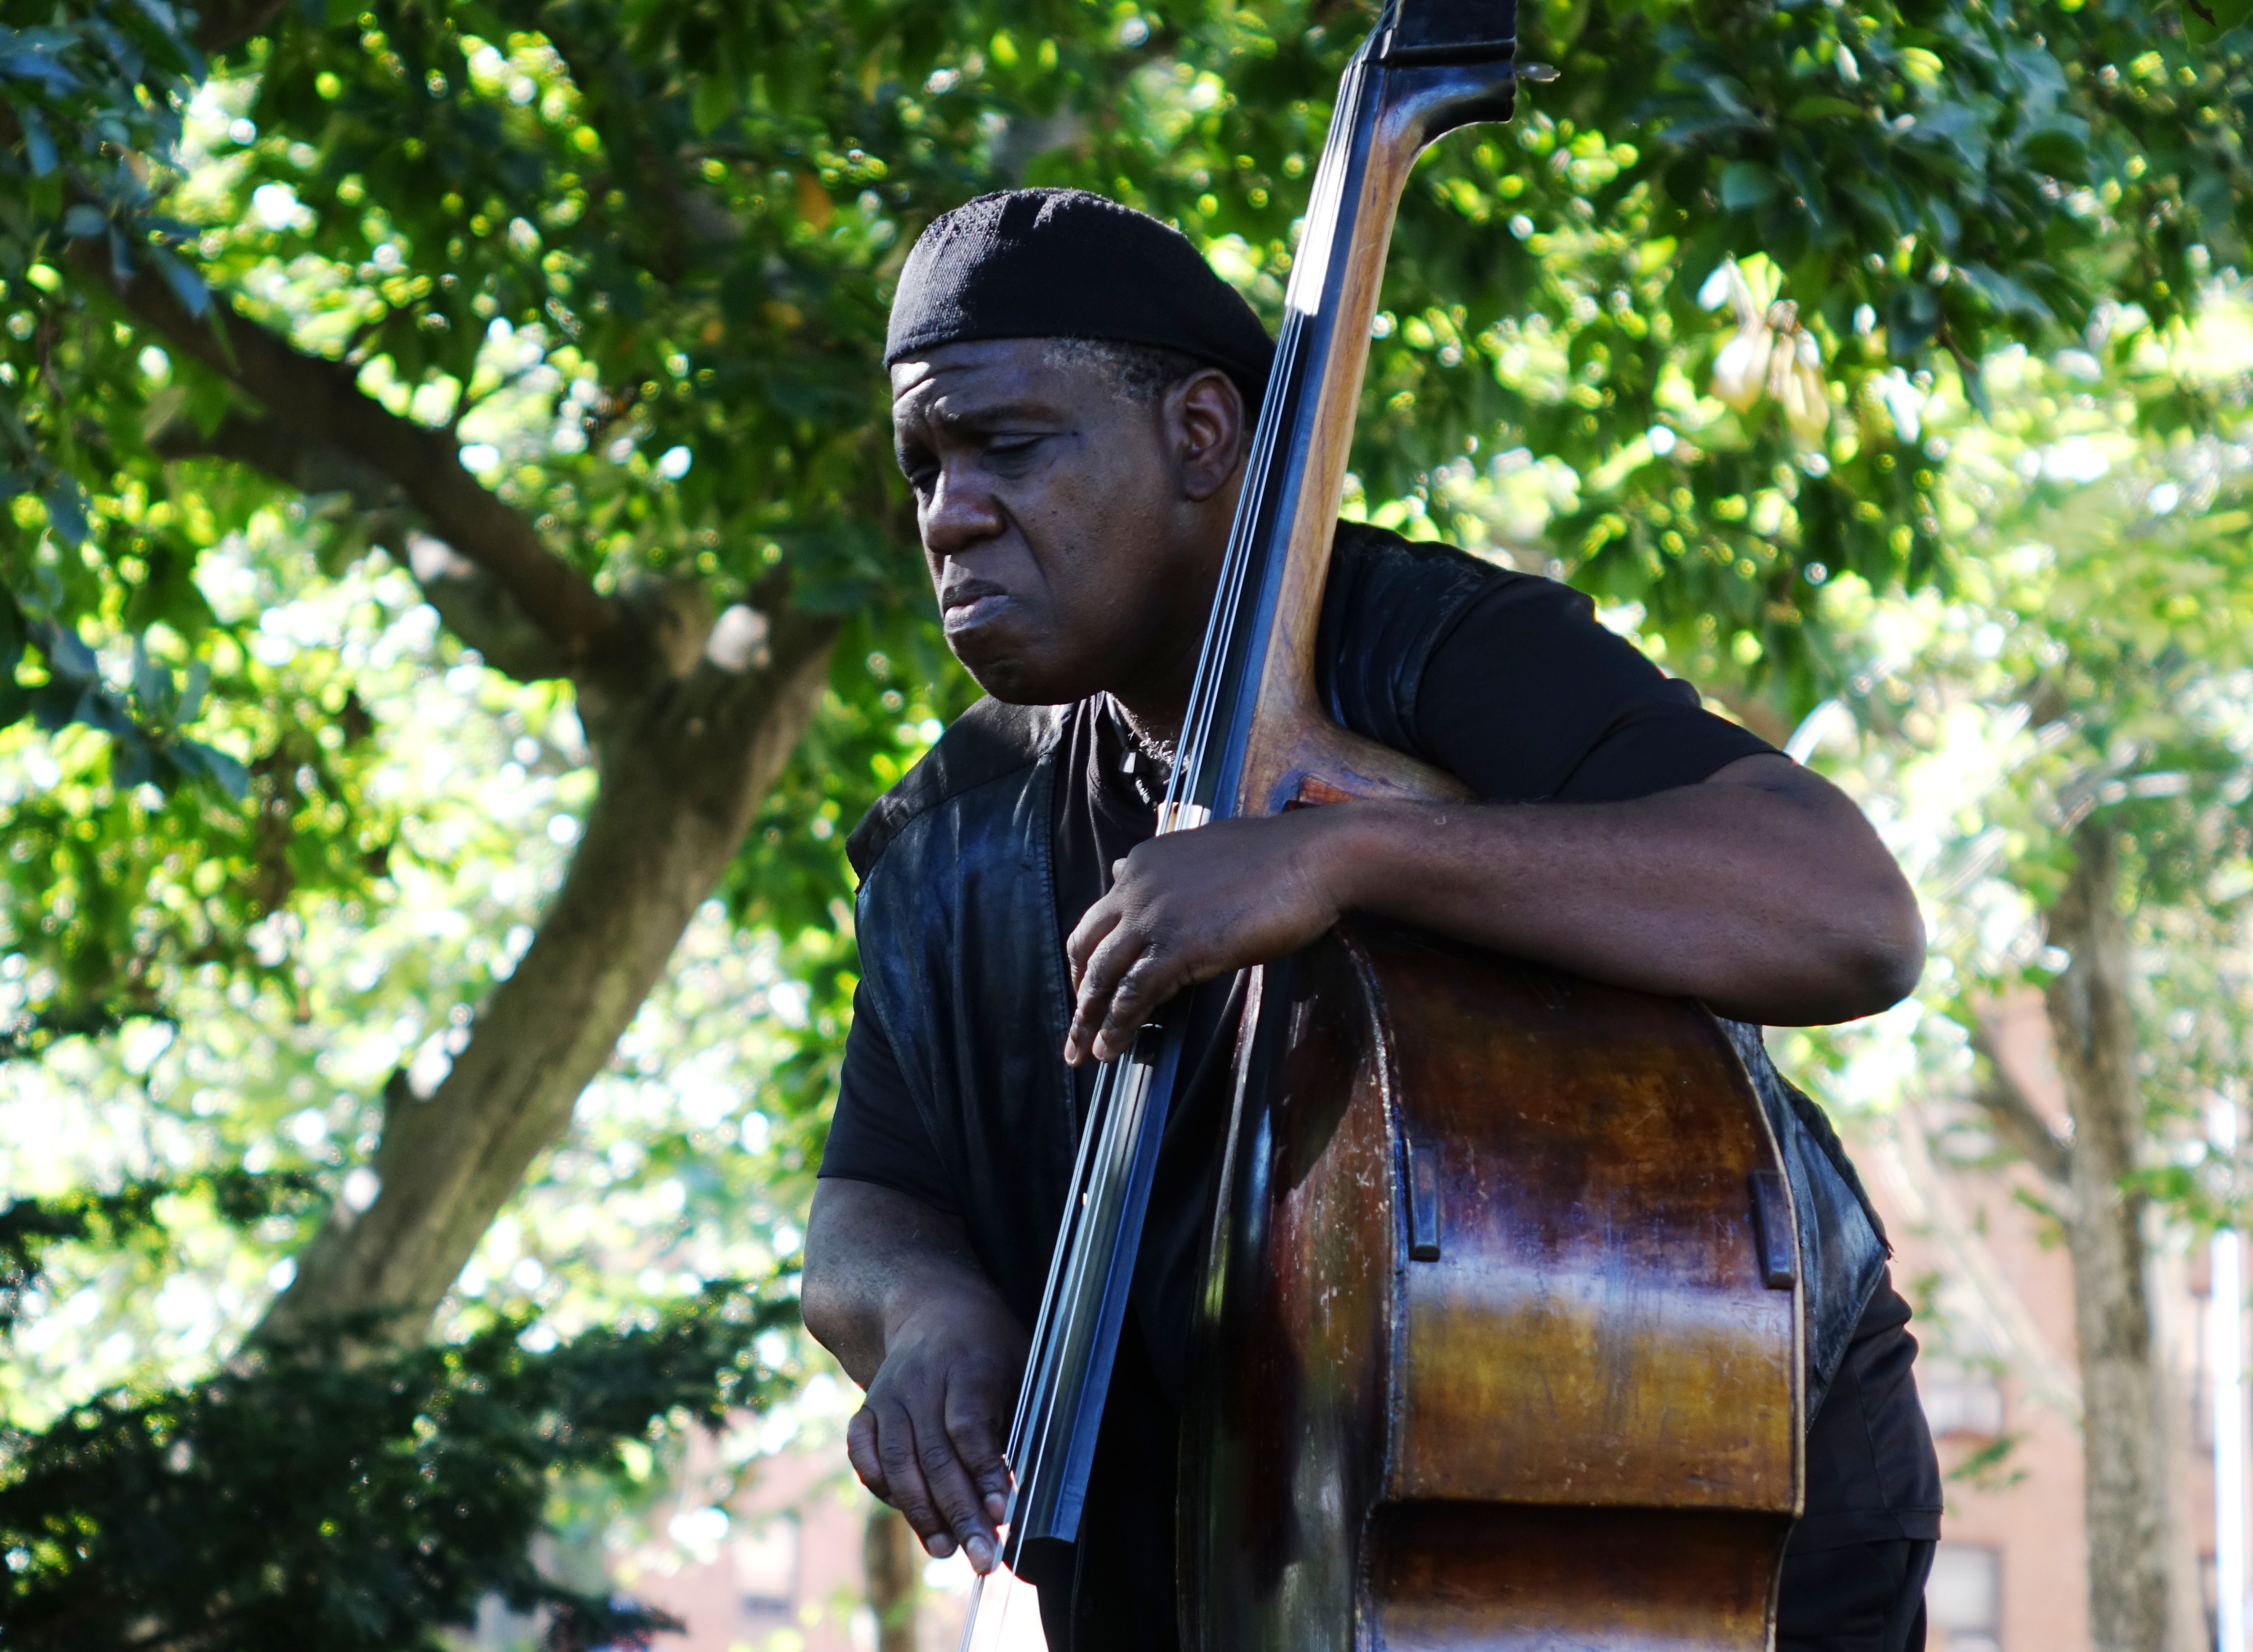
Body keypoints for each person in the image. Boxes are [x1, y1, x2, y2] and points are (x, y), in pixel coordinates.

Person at [801, 188, 1942, 1652]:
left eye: (1009, 445)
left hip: (1694, 1481)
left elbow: (1845, 913)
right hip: (1237, 1557)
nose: (951, 511)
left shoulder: (1434, 647)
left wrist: (1353, 861)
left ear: (1201, 438)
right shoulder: (949, 839)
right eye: (923, 464)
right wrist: (925, 1313)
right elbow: (869, 1202)